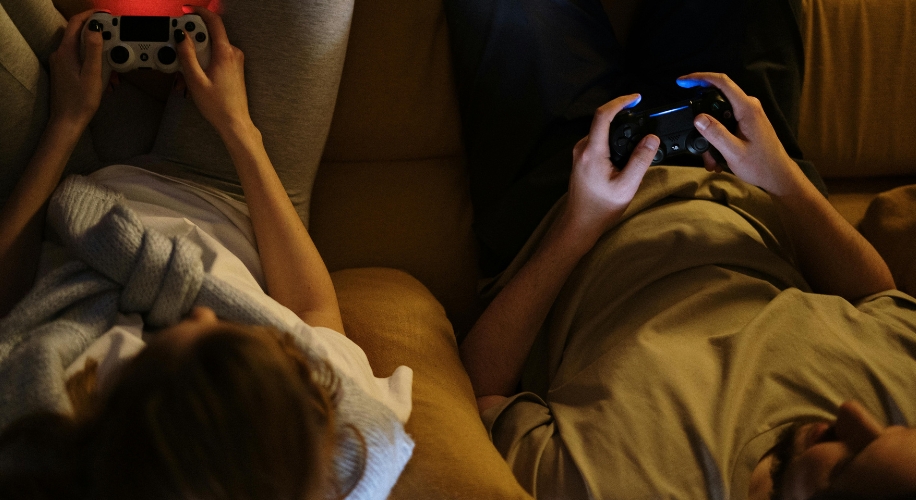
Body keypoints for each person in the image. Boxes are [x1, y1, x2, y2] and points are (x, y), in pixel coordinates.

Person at [446, 0, 916, 498]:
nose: (855, 415)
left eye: (846, 463)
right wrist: (783, 182)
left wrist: (579, 224)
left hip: (563, 203)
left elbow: (473, 393)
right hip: (751, 179)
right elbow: (879, 299)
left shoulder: (611, 485)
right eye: (893, 432)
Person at [0, 4, 412, 499]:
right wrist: (238, 126)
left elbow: (10, 304)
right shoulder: (312, 438)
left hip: (60, 186)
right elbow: (311, 309)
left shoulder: (36, 437)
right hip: (231, 188)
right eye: (220, 328)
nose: (202, 310)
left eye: (185, 336)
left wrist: (66, 120)